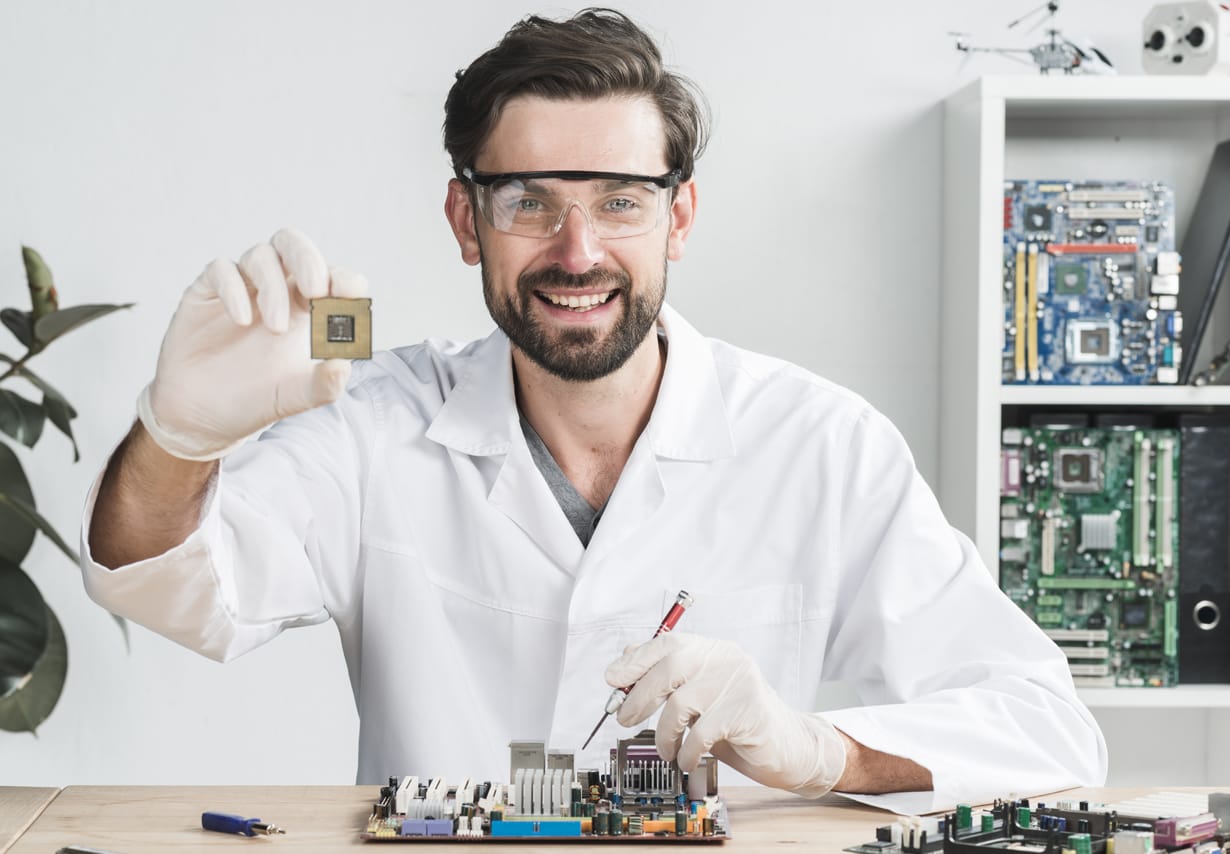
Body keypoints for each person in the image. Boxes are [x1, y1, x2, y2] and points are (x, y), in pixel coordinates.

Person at [80, 8, 1106, 813]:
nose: (576, 251)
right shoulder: (376, 419)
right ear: (465, 219)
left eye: (618, 199)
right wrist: (180, 435)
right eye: (527, 200)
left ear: (679, 215)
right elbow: (167, 586)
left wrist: (810, 746)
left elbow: (1043, 725)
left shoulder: (819, 442)